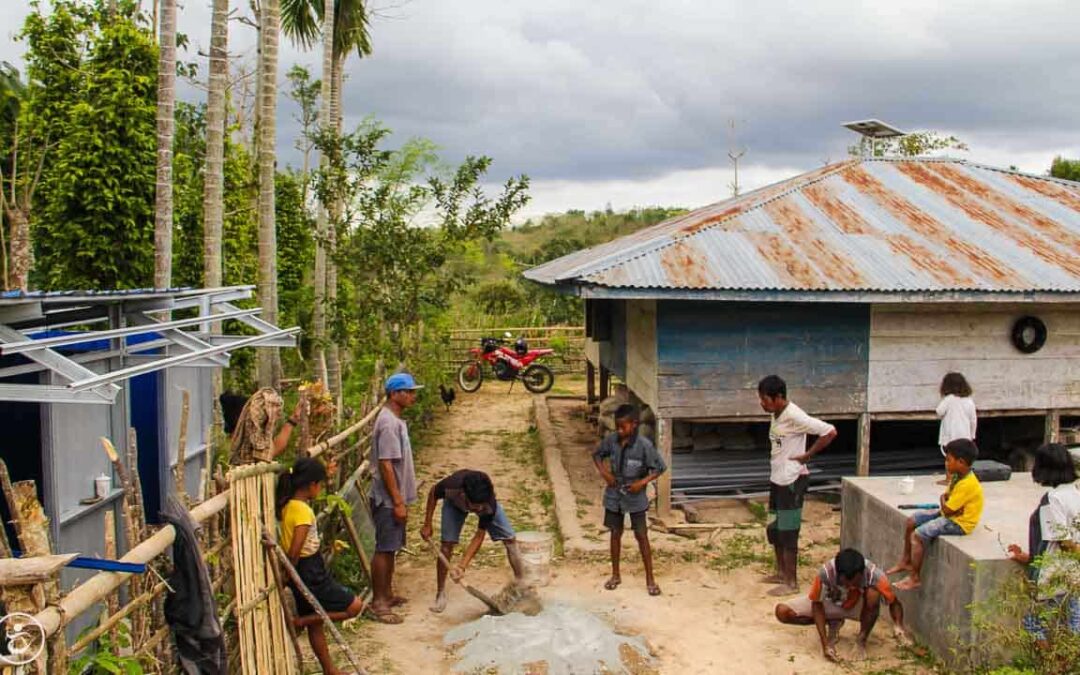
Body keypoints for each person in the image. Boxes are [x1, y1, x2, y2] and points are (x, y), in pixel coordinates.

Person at [277, 458, 364, 675]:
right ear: (312, 485)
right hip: (310, 571)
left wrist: (289, 574)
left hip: (302, 570)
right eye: (321, 484)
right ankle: (298, 621)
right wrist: (290, 572)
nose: (322, 488)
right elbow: (296, 549)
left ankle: (329, 670)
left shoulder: (289, 506)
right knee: (354, 606)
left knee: (316, 626)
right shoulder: (303, 512)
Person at [757, 375, 838, 596]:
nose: (762, 404)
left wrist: (807, 455)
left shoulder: (794, 415)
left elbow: (829, 431)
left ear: (778, 397)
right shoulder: (777, 415)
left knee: (788, 531)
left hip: (792, 480)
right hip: (777, 478)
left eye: (765, 399)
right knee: (774, 528)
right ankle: (781, 572)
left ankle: (791, 582)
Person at [1006, 444, 1080, 655]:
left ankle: (1052, 665)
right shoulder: (1075, 494)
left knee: (1033, 624)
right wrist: (1029, 557)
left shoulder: (1052, 499)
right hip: (1074, 575)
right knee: (1073, 627)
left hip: (1054, 574)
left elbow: (1062, 542)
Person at [775, 548, 910, 662]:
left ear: (862, 573)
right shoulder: (825, 573)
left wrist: (898, 625)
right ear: (838, 574)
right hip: (831, 602)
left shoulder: (875, 575)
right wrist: (825, 644)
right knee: (782, 612)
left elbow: (894, 602)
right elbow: (817, 605)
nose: (850, 586)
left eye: (855, 583)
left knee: (873, 594)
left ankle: (861, 640)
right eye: (846, 583)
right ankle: (834, 621)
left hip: (859, 608)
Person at [420, 469, 524, 613]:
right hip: (454, 504)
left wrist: (462, 566)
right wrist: (427, 523)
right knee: (446, 545)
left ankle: (521, 584)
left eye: (481, 506)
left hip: (480, 503)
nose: (478, 510)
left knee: (511, 540)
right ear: (463, 495)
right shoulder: (451, 486)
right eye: (475, 506)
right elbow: (432, 493)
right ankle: (441, 593)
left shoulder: (488, 506)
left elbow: (479, 536)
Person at [888, 438, 983, 590]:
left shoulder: (968, 484)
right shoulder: (957, 477)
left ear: (961, 462)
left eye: (948, 460)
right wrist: (946, 504)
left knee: (917, 535)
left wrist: (947, 505)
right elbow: (945, 498)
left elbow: (946, 508)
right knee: (911, 521)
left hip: (960, 523)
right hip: (952, 514)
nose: (946, 463)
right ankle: (905, 560)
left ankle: (915, 577)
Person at [593, 403, 666, 596]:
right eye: (617, 426)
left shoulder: (644, 446)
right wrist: (605, 473)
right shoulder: (612, 440)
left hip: (636, 497)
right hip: (614, 495)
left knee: (641, 536)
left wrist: (642, 483)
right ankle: (615, 575)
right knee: (615, 533)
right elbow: (597, 455)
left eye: (623, 427)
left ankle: (650, 579)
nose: (619, 430)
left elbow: (660, 468)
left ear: (634, 424)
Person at [369, 372, 423, 624]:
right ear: (394, 394)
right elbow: (386, 464)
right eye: (408, 392)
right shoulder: (389, 423)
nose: (413, 396)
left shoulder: (394, 420)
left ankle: (387, 594)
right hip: (388, 499)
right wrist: (398, 501)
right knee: (384, 548)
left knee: (391, 548)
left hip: (394, 497)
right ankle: (379, 602)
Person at [936, 372, 976, 485]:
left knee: (950, 458)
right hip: (965, 435)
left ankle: (949, 479)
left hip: (951, 435)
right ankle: (963, 479)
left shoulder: (949, 399)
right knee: (963, 458)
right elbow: (973, 420)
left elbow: (939, 411)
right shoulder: (969, 400)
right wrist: (972, 435)